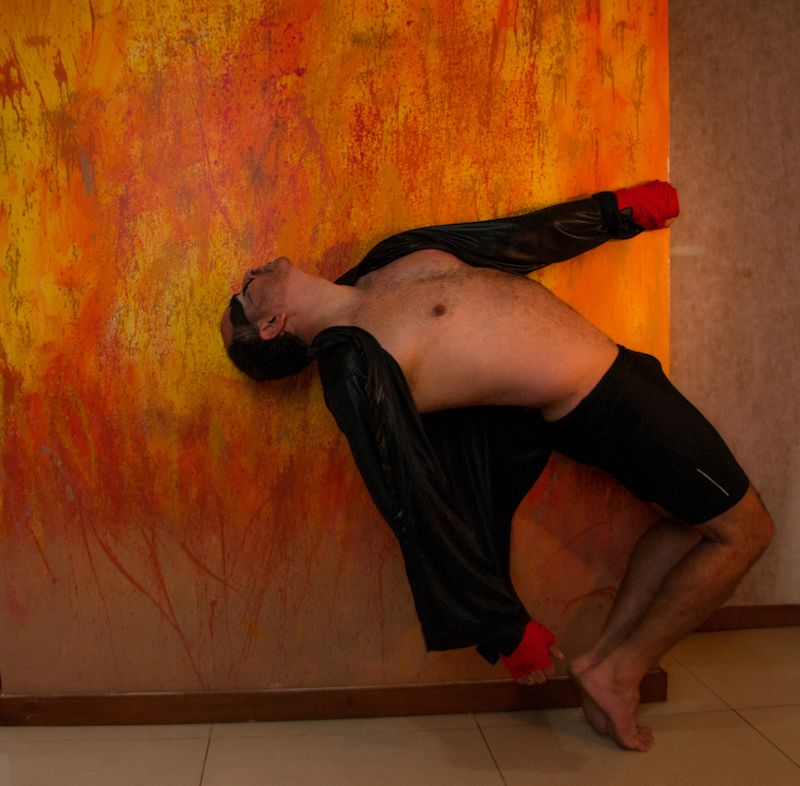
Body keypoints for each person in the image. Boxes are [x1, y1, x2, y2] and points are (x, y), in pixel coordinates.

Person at [219, 183, 773, 752]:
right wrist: (502, 626)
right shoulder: (352, 368)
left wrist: (615, 214)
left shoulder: (384, 263)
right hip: (600, 402)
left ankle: (606, 664)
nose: (247, 277)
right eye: (243, 298)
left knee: (692, 521)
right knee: (745, 532)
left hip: (619, 372)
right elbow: (410, 496)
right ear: (271, 325)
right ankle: (622, 671)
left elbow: (512, 242)